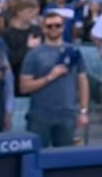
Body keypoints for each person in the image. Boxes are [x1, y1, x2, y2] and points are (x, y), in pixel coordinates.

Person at [19, 11, 90, 147]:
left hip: (67, 114)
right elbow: (24, 87)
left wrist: (83, 111)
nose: (53, 29)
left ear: (63, 28)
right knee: (38, 159)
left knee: (65, 160)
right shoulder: (33, 54)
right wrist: (50, 77)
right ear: (43, 28)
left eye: (57, 25)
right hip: (40, 115)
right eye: (49, 26)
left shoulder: (74, 51)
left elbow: (83, 81)